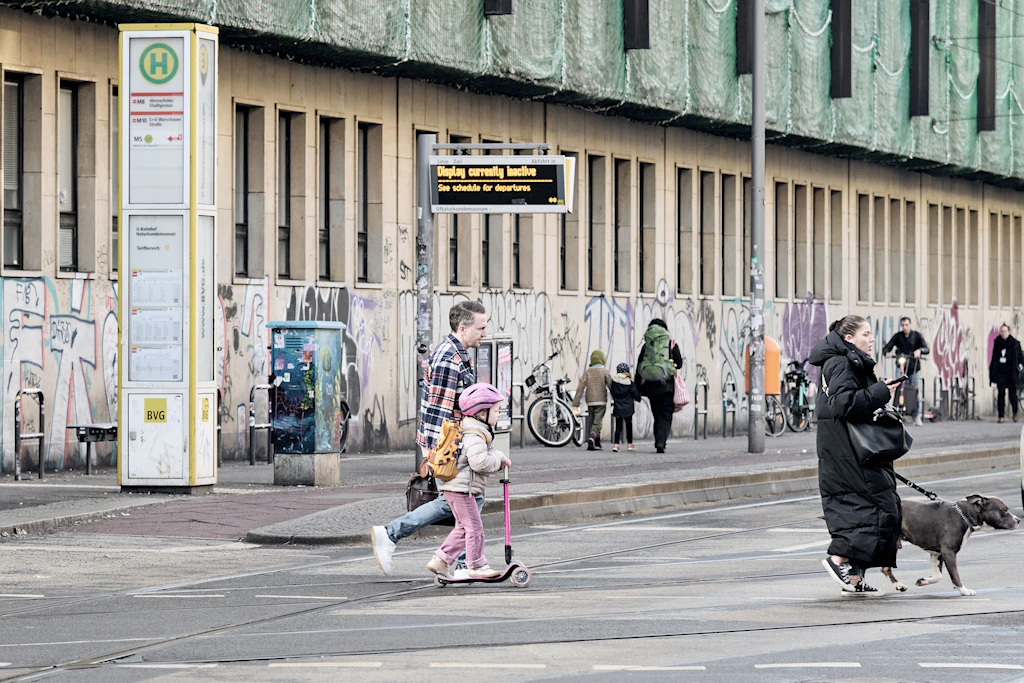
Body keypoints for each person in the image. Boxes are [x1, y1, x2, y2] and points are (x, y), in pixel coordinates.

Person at [371, 300, 487, 576]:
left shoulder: (458, 353)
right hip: (449, 445)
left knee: (468, 499)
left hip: (449, 443)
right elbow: (443, 411)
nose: (485, 332)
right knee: (461, 499)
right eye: (481, 327)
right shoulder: (450, 358)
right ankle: (392, 534)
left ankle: (455, 561)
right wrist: (442, 452)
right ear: (463, 328)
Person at [809, 315, 901, 595]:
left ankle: (853, 577)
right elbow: (843, 404)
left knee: (876, 505)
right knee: (870, 506)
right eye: (866, 333)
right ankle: (838, 559)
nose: (871, 339)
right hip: (844, 450)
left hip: (849, 448)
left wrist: (879, 396)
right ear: (849, 338)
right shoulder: (841, 362)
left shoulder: (849, 360)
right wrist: (880, 392)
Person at [430, 383, 511, 579]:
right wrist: (499, 461)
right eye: (496, 410)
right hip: (461, 490)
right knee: (474, 528)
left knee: (463, 528)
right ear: (482, 413)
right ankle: (476, 565)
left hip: (455, 488)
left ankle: (441, 560)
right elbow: (479, 462)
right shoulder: (475, 434)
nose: (498, 414)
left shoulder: (472, 429)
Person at [636, 319, 683, 454]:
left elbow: (640, 366)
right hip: (666, 387)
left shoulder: (647, 345)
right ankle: (661, 442)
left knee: (656, 415)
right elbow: (679, 363)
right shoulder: (671, 344)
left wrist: (637, 388)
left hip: (650, 388)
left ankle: (659, 441)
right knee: (665, 416)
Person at [882, 316, 929, 426]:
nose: (904, 327)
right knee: (897, 388)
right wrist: (887, 352)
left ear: (910, 325)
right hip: (901, 367)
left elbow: (926, 349)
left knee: (915, 390)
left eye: (906, 325)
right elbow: (887, 347)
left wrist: (920, 351)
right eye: (902, 325)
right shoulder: (898, 337)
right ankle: (895, 413)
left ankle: (916, 415)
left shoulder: (916, 336)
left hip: (914, 368)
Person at [572, 350, 612, 450]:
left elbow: (580, 388)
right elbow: (611, 385)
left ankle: (596, 443)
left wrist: (576, 403)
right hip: (601, 400)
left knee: (592, 420)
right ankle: (593, 437)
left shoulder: (587, 372)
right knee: (597, 422)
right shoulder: (604, 371)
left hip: (590, 401)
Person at [989, 324, 1023, 423]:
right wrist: (993, 372)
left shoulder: (1015, 344)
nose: (1003, 333)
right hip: (1001, 373)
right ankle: (1001, 416)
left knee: (1013, 395)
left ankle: (1015, 412)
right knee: (1001, 394)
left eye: (1005, 331)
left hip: (1011, 373)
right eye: (1001, 331)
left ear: (1009, 332)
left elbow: (1020, 358)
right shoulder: (997, 343)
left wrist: (1019, 368)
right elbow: (994, 358)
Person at [609, 362, 640, 453]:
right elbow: (636, 395)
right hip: (628, 407)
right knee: (628, 425)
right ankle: (630, 444)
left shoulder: (614, 382)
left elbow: (613, 393)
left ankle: (616, 444)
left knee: (618, 426)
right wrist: (638, 398)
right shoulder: (630, 382)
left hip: (618, 407)